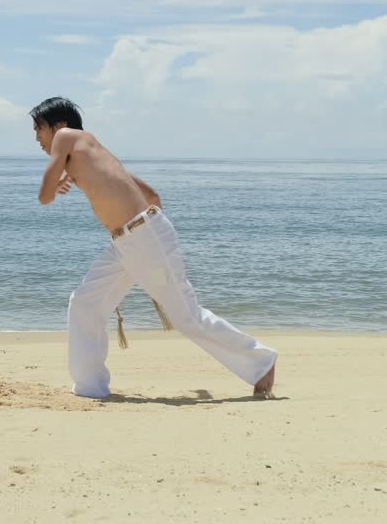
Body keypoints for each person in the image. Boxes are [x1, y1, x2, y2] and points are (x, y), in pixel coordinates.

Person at [30, 96, 277, 399]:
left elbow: (44, 197)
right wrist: (145, 247)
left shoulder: (67, 136)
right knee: (85, 304)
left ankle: (261, 361)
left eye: (39, 128)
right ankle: (90, 387)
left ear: (59, 124)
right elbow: (152, 195)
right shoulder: (93, 154)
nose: (37, 138)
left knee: (186, 316)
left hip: (142, 236)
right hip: (129, 241)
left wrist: (56, 185)